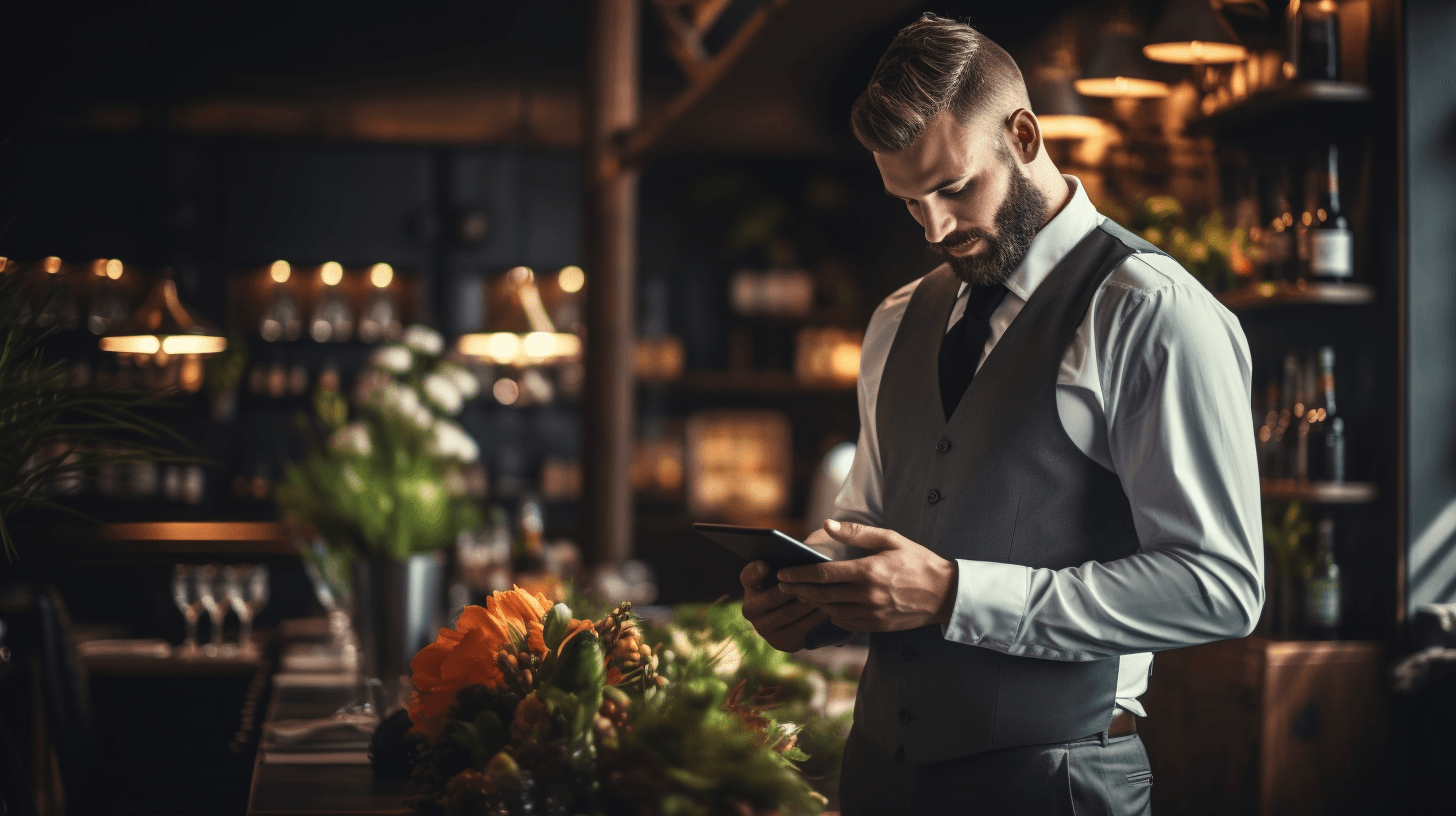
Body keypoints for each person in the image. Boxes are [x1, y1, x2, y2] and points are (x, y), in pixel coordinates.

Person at [738, 14, 1263, 815]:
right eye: (909, 202)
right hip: (878, 773)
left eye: (953, 186)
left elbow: (1219, 584)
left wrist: (954, 593)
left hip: (1055, 782)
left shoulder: (1152, 313)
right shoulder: (896, 318)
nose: (937, 227)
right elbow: (864, 519)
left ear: (1023, 133)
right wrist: (809, 592)